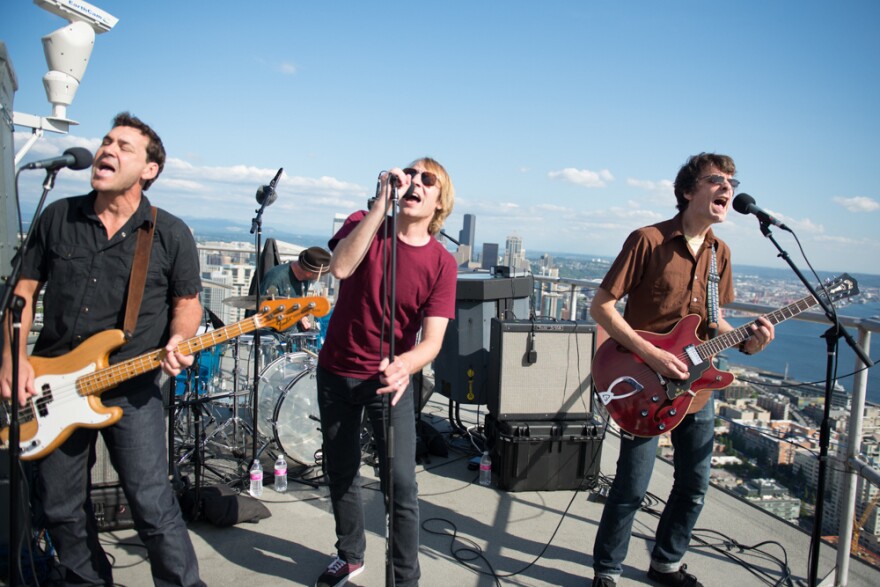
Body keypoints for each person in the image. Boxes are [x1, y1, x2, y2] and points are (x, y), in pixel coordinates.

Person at [1, 112, 205, 586]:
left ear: (149, 170)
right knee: (60, 507)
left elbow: (188, 304)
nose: (107, 150)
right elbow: (21, 293)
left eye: (124, 147)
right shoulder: (58, 215)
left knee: (152, 504)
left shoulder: (170, 233)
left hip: (132, 390)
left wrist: (181, 337)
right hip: (51, 385)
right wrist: (12, 356)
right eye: (106, 141)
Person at [590, 153, 775, 587]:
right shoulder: (647, 240)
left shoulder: (720, 253)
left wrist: (748, 338)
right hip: (643, 381)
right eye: (717, 179)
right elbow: (601, 307)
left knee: (694, 484)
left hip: (697, 387)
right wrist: (652, 355)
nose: (728, 187)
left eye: (732, 181)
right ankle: (607, 571)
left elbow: (712, 321)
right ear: (689, 191)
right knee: (631, 487)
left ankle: (666, 563)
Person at [314, 159, 457, 587]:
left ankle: (404, 579)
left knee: (401, 485)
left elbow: (432, 341)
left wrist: (405, 364)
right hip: (336, 371)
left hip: (388, 382)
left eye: (426, 179)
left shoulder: (441, 263)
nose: (414, 181)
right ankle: (350, 554)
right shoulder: (365, 223)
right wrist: (380, 205)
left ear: (439, 201)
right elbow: (340, 267)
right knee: (341, 469)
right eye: (410, 174)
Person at [258, 245, 331, 332]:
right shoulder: (275, 279)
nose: (318, 278)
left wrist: (301, 317)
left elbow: (294, 308)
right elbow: (264, 316)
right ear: (308, 273)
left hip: (292, 332)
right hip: (271, 334)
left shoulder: (305, 279)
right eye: (320, 274)